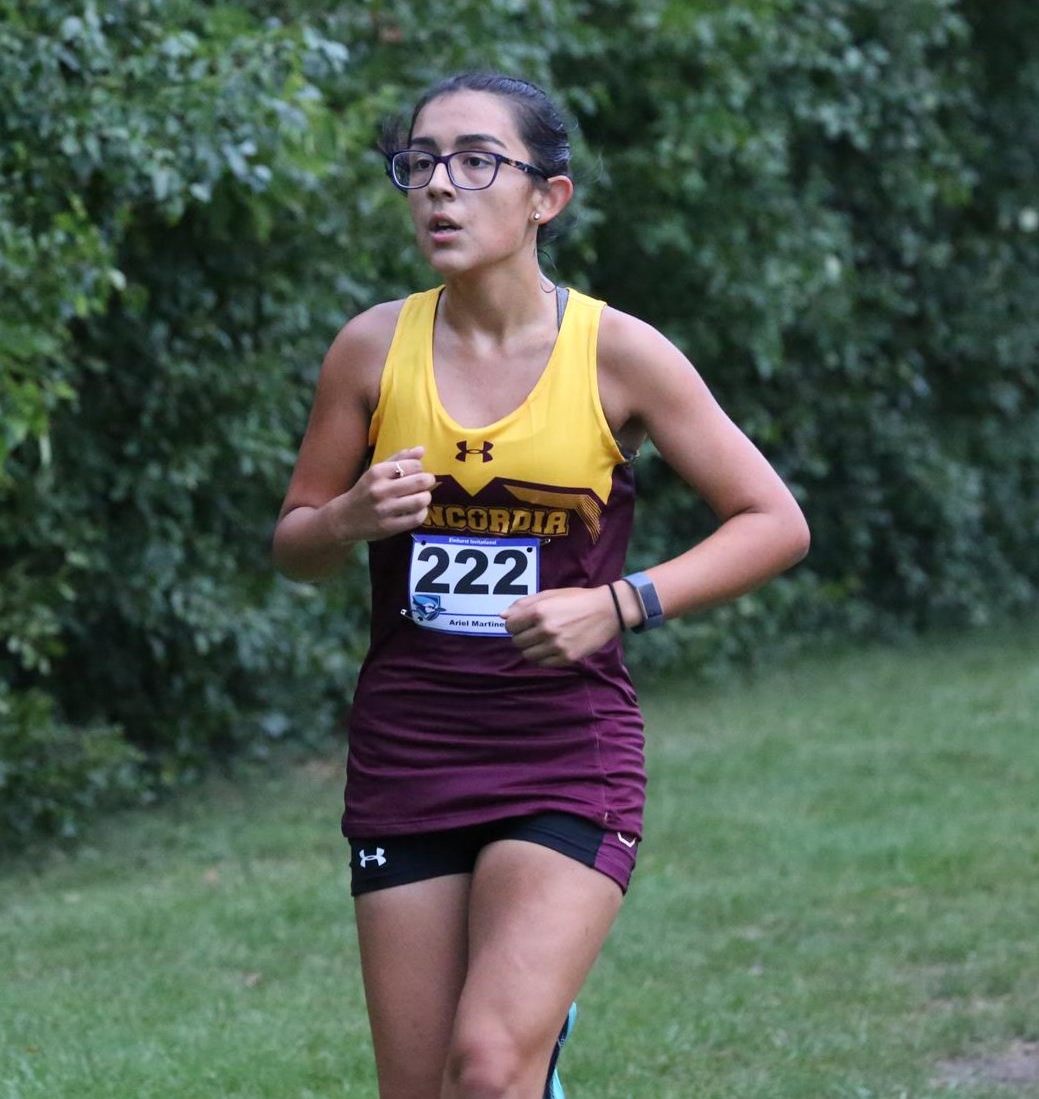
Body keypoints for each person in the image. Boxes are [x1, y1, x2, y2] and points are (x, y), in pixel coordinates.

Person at [272, 71, 809, 1099]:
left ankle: (525, 1028)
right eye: (420, 162)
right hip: (410, 749)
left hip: (562, 749)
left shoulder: (617, 354)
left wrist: (618, 603)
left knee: (486, 1066)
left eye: (476, 161)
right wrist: (346, 519)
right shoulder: (371, 349)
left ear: (545, 198)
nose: (440, 186)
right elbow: (295, 544)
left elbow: (773, 521)